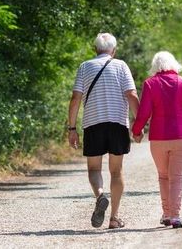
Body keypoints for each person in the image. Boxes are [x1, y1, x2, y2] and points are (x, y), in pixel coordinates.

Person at [67, 33, 140, 229]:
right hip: (117, 123)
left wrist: (72, 128)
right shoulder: (121, 66)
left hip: (93, 124)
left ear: (95, 49)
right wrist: (139, 125)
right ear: (113, 51)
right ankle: (114, 218)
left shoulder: (85, 66)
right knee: (116, 171)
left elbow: (75, 99)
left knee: (94, 169)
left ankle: (100, 195)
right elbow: (131, 95)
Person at [131, 51, 182, 229]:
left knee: (163, 176)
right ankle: (175, 216)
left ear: (155, 66)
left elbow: (143, 113)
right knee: (177, 177)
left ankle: (166, 214)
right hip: (181, 137)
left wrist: (136, 131)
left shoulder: (150, 84)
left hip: (158, 138)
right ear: (174, 64)